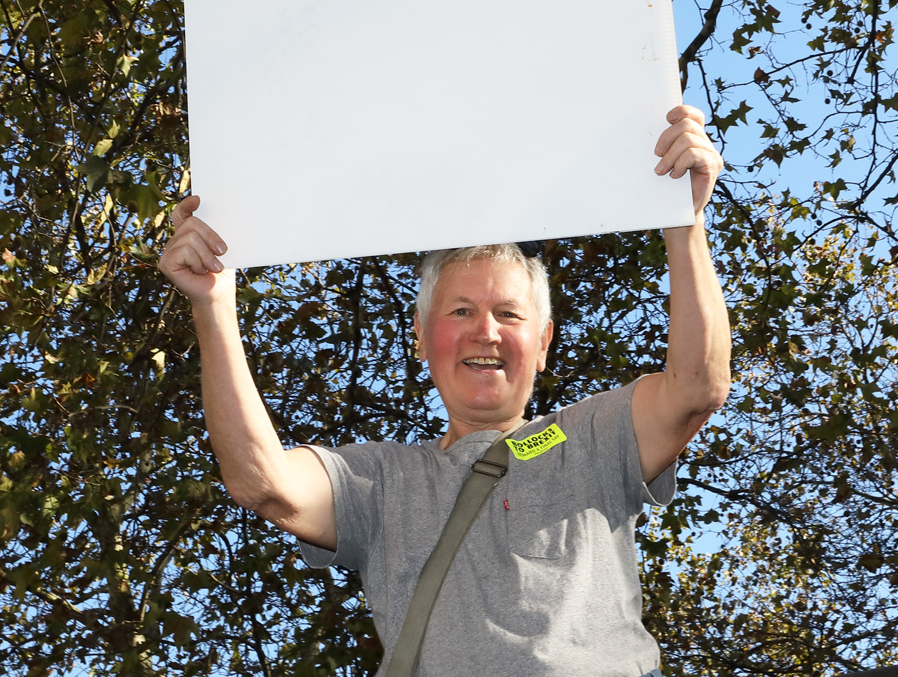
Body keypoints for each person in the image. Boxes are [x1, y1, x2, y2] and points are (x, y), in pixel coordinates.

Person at [158, 104, 730, 676]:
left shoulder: (592, 438)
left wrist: (684, 224)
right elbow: (263, 482)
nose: (486, 331)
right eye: (461, 310)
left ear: (544, 341)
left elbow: (697, 385)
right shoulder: (378, 483)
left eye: (508, 313)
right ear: (421, 338)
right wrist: (213, 306)